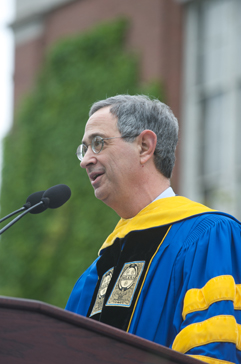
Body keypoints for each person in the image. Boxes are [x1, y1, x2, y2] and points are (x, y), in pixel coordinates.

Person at [66, 95, 241, 364]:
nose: (85, 160)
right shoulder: (96, 272)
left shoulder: (207, 237)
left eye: (98, 143)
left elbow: (213, 353)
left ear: (144, 146)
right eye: (84, 149)